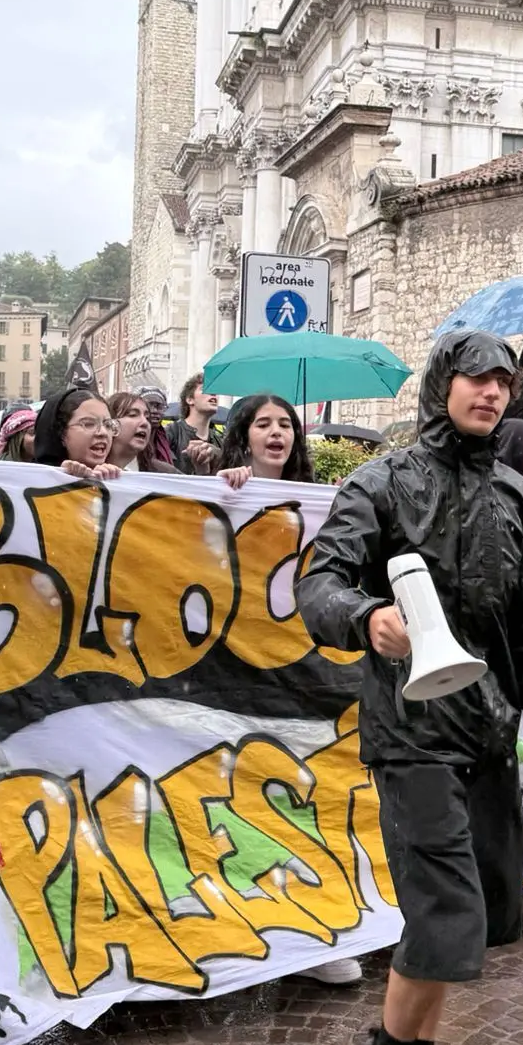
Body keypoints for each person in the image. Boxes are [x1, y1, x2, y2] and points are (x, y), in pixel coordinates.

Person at [299, 330, 523, 1045]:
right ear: (442, 385)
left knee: (485, 914)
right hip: (412, 730)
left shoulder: (513, 493)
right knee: (446, 913)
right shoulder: (381, 481)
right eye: (476, 378)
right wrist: (364, 620)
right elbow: (319, 583)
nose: (491, 393)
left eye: (504, 382)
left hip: (490, 732)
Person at [215, 392, 362, 989]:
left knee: (305, 797)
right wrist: (223, 489)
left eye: (285, 425)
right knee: (235, 805)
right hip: (232, 673)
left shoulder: (328, 502)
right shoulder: (217, 489)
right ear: (241, 435)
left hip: (304, 672)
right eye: (261, 424)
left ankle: (313, 929)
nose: (275, 433)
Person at [33, 387, 123, 480]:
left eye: (108, 425)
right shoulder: (32, 480)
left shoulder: (120, 480)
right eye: (88, 424)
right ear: (61, 434)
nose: (103, 433)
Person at [165, 370, 224, 474]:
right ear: (190, 399)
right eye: (205, 389)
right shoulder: (171, 433)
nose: (213, 393)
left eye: (215, 390)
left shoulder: (219, 441)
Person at [105, 390, 176, 473]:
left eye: (147, 418)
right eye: (133, 415)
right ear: (110, 423)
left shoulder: (163, 472)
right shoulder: (90, 470)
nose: (145, 423)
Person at [136, 385, 176, 467]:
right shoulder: (132, 439)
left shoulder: (165, 438)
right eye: (149, 405)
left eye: (159, 407)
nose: (155, 411)